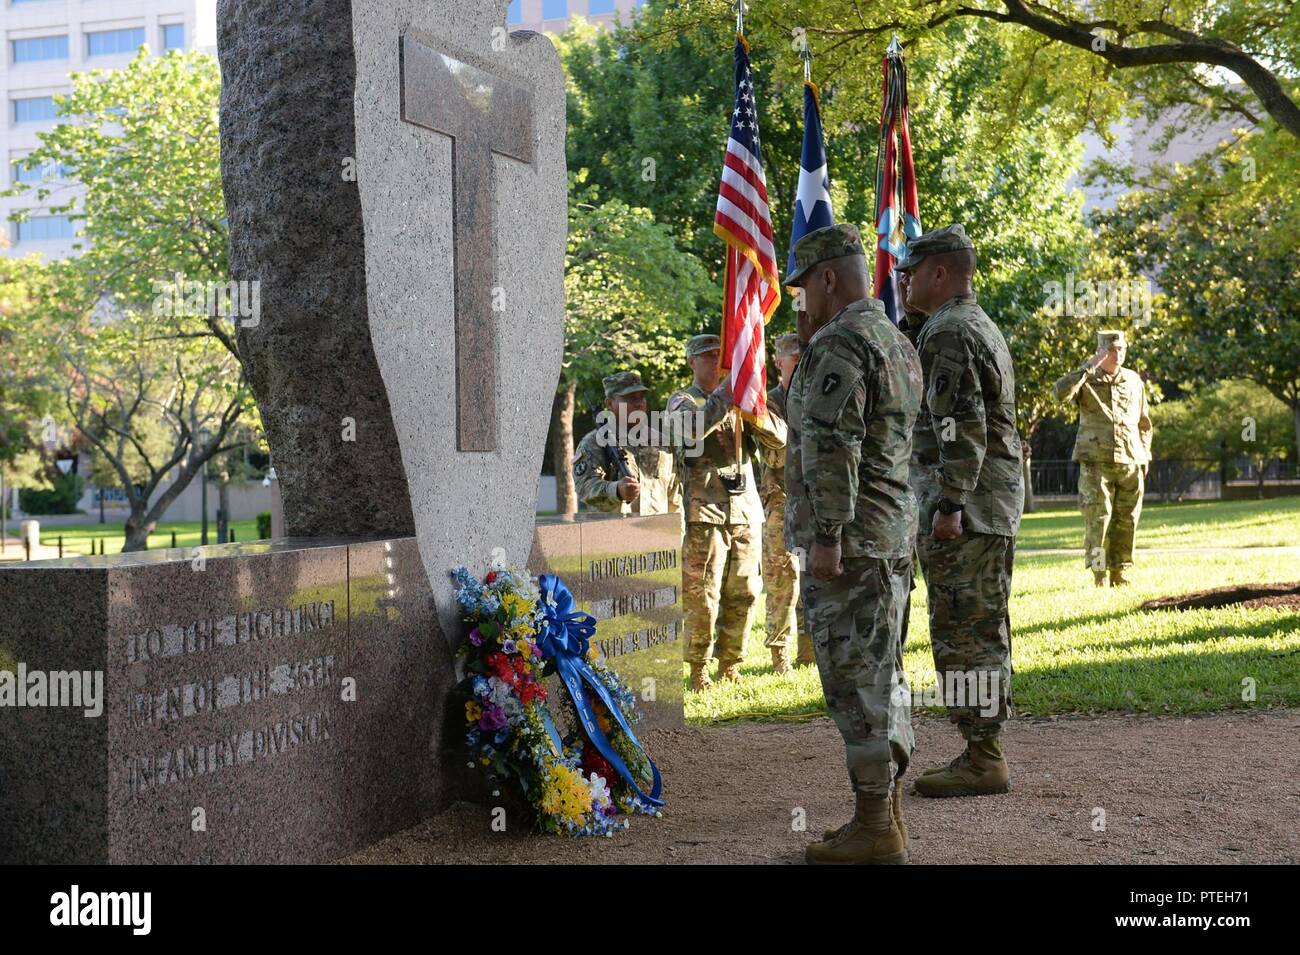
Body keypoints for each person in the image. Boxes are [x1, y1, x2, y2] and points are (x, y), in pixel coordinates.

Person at [783, 223, 922, 865]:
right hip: (892, 534)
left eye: (805, 286)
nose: (801, 301)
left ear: (829, 278)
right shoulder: (895, 339)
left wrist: (828, 538)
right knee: (885, 672)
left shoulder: (840, 343)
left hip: (853, 543)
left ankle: (874, 828)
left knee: (855, 681)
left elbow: (835, 448)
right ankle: (884, 811)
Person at [896, 223, 1023, 800]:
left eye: (912, 271)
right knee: (980, 622)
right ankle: (981, 748)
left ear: (939, 273)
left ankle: (983, 755)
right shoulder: (972, 323)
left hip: (968, 509)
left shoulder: (948, 333)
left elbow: (961, 428)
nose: (902, 280)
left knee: (964, 628)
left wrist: (949, 503)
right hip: (989, 501)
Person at [666, 334, 785, 691]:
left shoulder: (742, 402)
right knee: (703, 593)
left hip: (746, 509)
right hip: (707, 513)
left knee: (746, 591)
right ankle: (699, 667)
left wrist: (756, 414)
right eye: (707, 356)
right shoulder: (682, 401)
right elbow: (691, 430)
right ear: (691, 361)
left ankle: (730, 663)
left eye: (721, 356)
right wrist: (728, 394)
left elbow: (781, 442)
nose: (715, 362)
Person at [1052, 330, 1153, 587]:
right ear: (1100, 352)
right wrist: (1087, 368)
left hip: (1130, 460)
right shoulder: (1086, 379)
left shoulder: (1133, 380)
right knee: (1099, 519)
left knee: (1127, 519)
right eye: (1111, 350)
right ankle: (1099, 575)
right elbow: (1059, 394)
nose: (1117, 354)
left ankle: (1120, 572)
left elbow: (1144, 423)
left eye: (1121, 349)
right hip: (1096, 462)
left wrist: (1145, 454)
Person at [760, 332, 813, 673]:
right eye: (795, 358)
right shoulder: (767, 404)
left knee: (813, 578)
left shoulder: (816, 397)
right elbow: (778, 454)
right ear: (779, 362)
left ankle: (809, 652)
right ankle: (779, 656)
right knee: (782, 582)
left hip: (814, 501)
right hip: (781, 501)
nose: (801, 363)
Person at [573, 371, 681, 515]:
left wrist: (675, 529)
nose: (638, 403)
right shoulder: (594, 442)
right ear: (609, 403)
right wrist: (616, 490)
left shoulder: (662, 442)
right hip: (615, 532)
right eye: (630, 398)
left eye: (641, 397)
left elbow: (673, 493)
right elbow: (584, 487)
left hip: (657, 531)